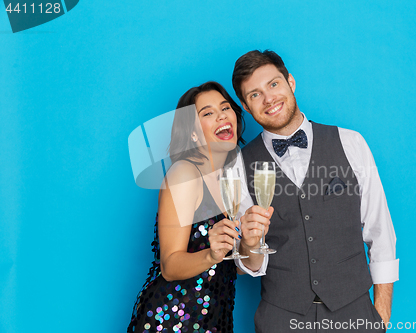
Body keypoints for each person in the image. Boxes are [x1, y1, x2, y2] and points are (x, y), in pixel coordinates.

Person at [233, 50, 399, 332]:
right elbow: (248, 265)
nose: (269, 98)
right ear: (246, 107)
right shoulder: (238, 164)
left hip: (354, 312)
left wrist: (381, 316)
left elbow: (380, 231)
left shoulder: (350, 142)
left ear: (291, 83)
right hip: (280, 317)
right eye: (255, 94)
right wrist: (248, 243)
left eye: (274, 84)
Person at [127, 81, 265, 333]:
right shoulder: (185, 174)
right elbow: (170, 266)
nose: (222, 115)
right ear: (192, 133)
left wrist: (250, 243)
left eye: (225, 108)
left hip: (215, 319)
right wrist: (212, 255)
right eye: (208, 113)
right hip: (173, 320)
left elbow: (232, 267)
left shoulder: (229, 179)